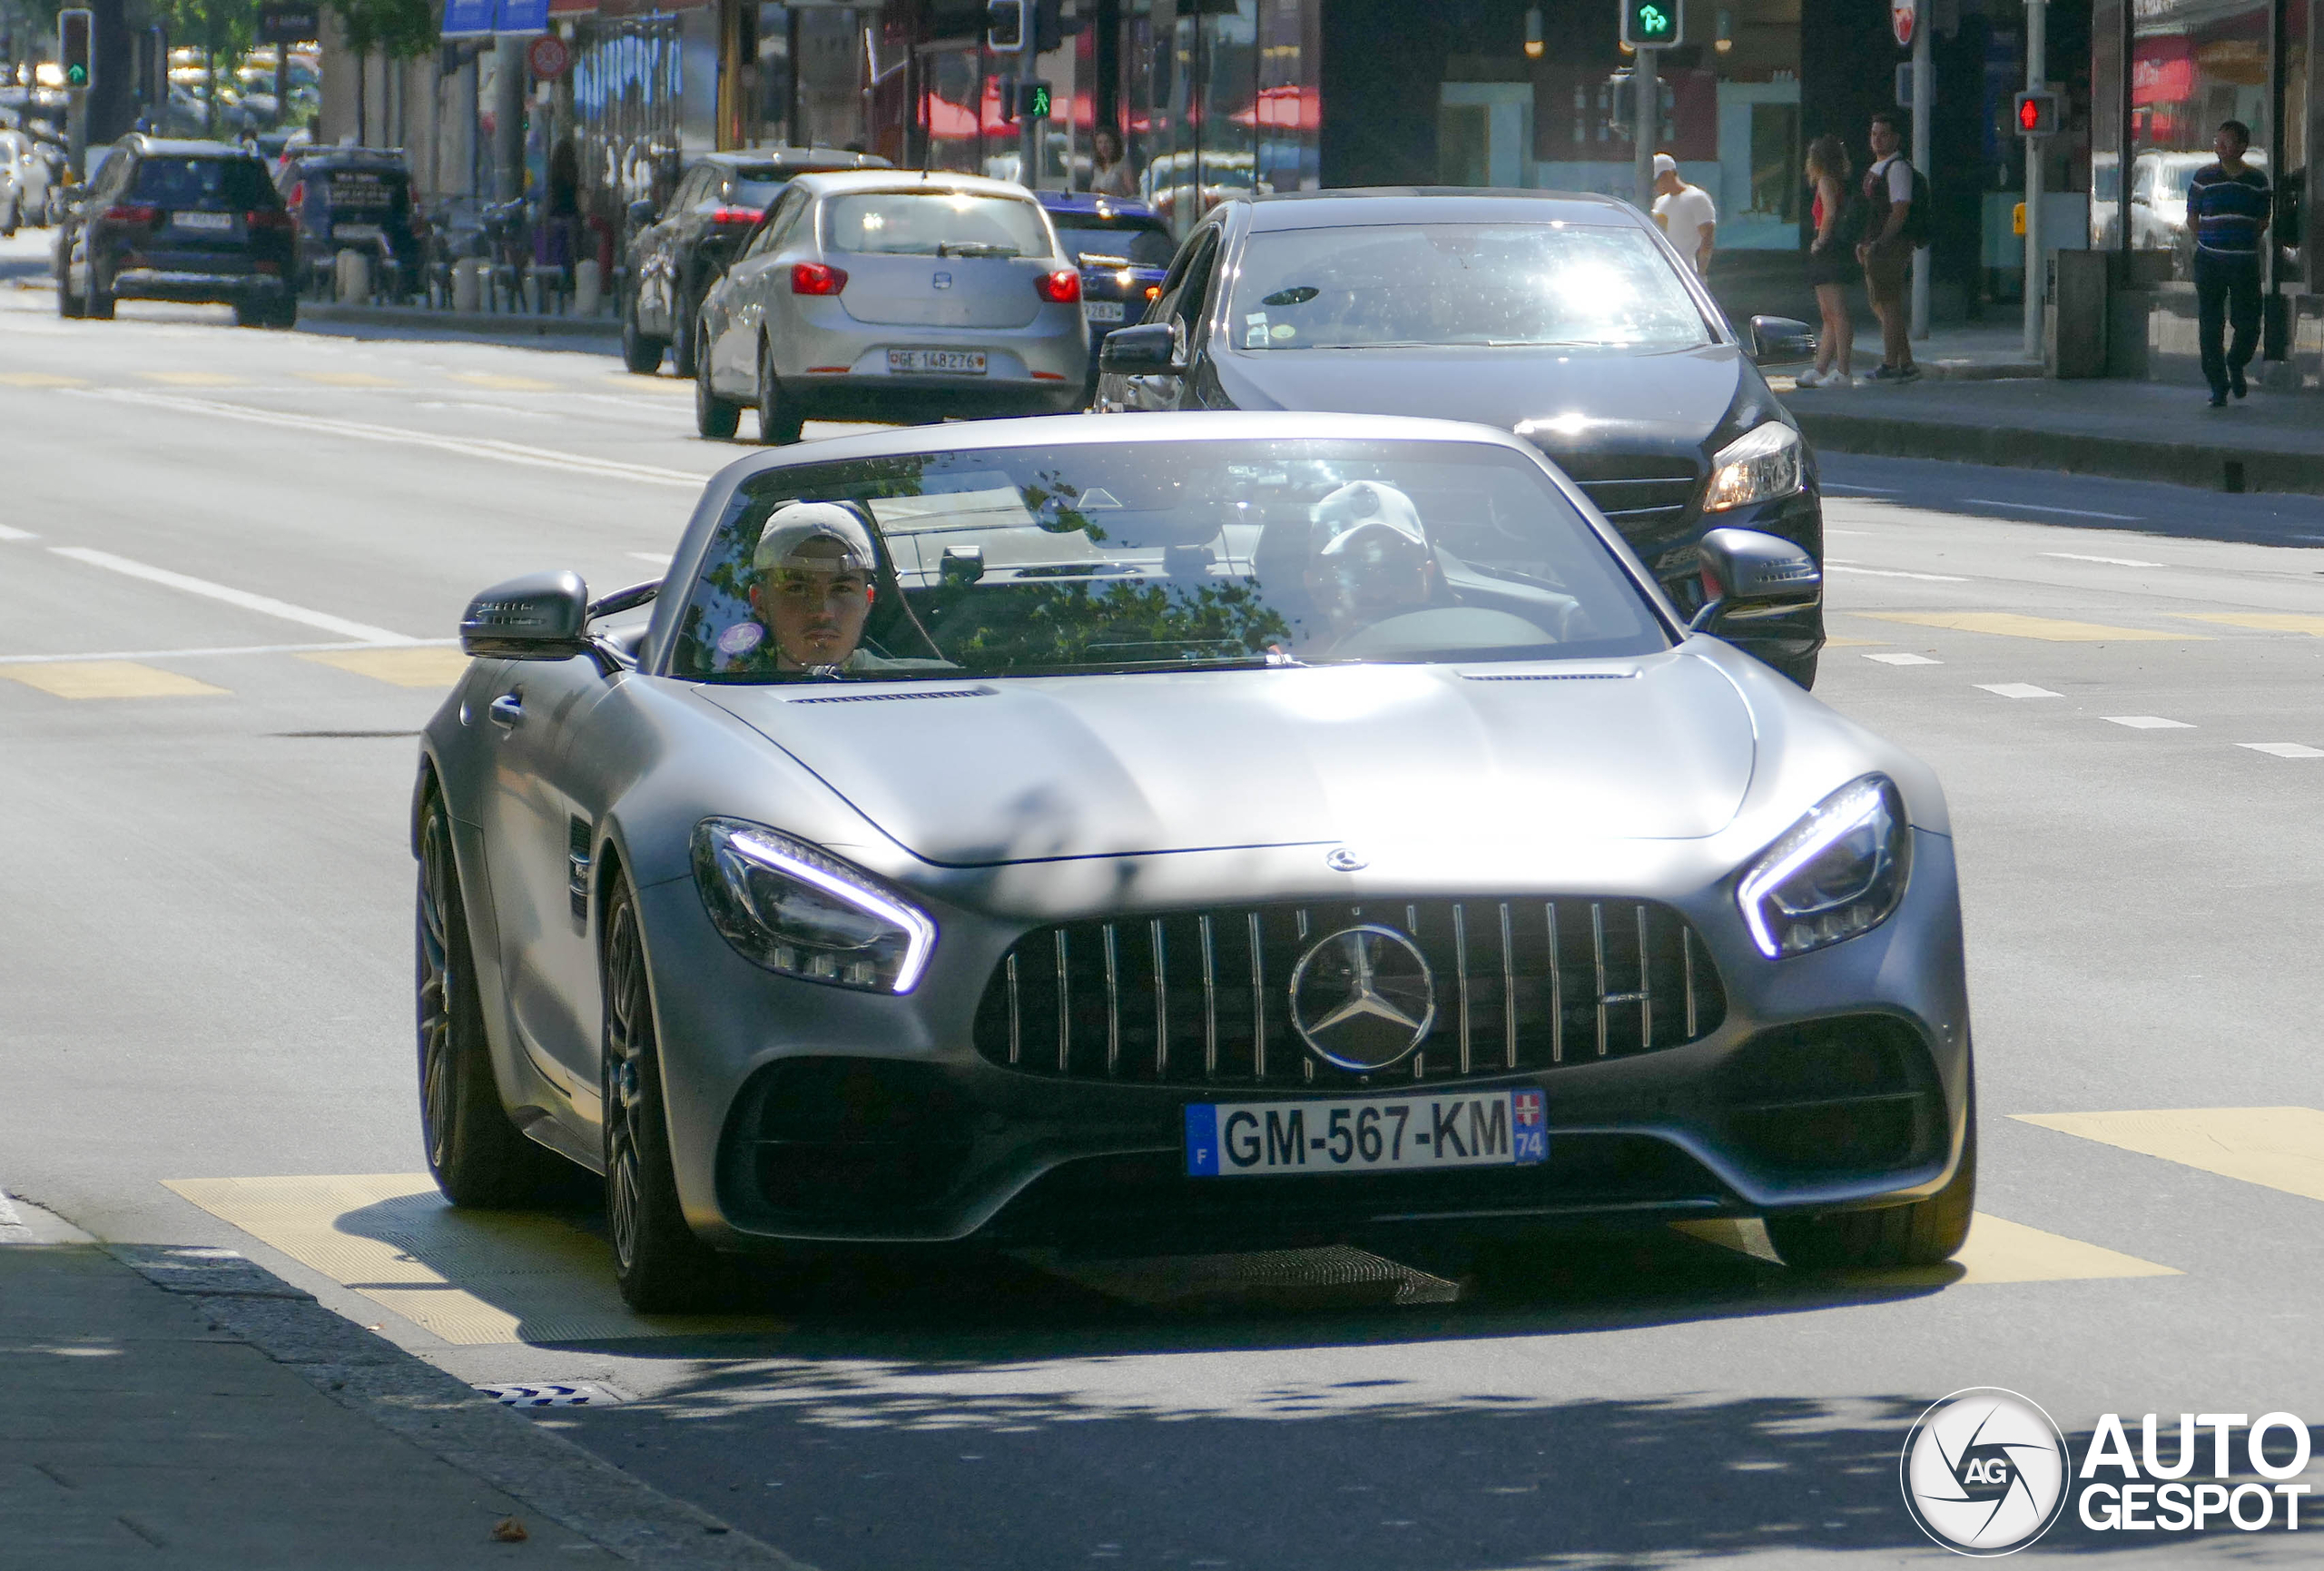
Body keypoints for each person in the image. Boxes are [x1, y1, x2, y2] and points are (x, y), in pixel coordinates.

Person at [715, 501, 943, 676]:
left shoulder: (931, 686)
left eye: (842, 589)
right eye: (797, 589)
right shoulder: (722, 699)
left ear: (867, 600)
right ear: (760, 602)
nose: (823, 612)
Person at [2187, 119, 2270, 407]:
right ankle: (2218, 385)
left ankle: (2235, 362)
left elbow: (2262, 221)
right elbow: (2192, 218)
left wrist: (2241, 242)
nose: (2220, 147)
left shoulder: (2257, 181)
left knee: (2248, 322)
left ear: (2243, 147)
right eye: (2217, 141)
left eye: (2227, 141)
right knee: (2210, 324)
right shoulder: (2203, 178)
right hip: (2209, 261)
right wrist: (2210, 243)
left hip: (2244, 263)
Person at [1856, 110, 1922, 383]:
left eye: (1884, 135)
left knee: (1888, 302)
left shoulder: (1897, 169)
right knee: (1880, 303)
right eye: (1874, 134)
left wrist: (1882, 243)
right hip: (1875, 244)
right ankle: (1906, 363)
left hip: (1891, 246)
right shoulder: (1878, 169)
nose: (1878, 140)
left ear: (1896, 138)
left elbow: (1899, 210)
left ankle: (1890, 363)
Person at [1794, 134, 1858, 390]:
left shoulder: (1824, 181)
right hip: (1833, 250)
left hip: (1828, 250)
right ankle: (1821, 367)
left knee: (1837, 313)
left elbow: (1829, 213)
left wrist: (1820, 241)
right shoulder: (1835, 180)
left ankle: (1843, 370)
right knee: (1828, 313)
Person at [1650, 153, 1716, 277]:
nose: (1655, 187)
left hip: (1686, 273)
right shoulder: (1660, 202)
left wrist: (1701, 274)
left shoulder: (1697, 198)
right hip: (1661, 273)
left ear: (1668, 174)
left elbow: (1707, 238)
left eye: (1656, 181)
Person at [1088, 126, 1135, 198]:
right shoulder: (1097, 166)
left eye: (1107, 142)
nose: (1103, 146)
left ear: (1114, 144)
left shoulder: (1122, 164)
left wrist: (1106, 193)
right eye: (1100, 142)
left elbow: (1131, 193)